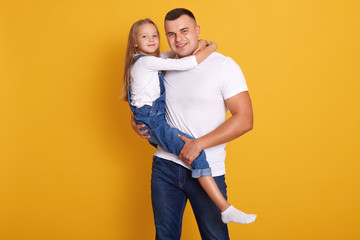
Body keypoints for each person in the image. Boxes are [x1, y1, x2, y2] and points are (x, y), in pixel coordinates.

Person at [130, 9, 256, 239]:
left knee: (215, 236)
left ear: (197, 31)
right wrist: (135, 121)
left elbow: (245, 119)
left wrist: (198, 144)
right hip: (165, 167)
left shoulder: (224, 66)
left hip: (208, 170)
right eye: (171, 34)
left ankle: (226, 209)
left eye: (184, 31)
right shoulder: (162, 61)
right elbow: (140, 92)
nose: (178, 39)